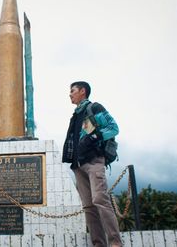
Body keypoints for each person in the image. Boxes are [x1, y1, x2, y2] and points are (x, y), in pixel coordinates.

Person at [62, 81, 122, 247]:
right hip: (78, 165)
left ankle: (115, 242)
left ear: (82, 91)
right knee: (88, 206)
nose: (70, 94)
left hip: (94, 160)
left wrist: (95, 137)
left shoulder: (94, 108)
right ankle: (98, 244)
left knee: (100, 199)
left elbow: (113, 127)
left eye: (72, 91)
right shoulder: (76, 115)